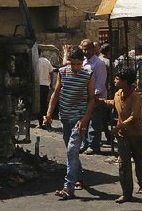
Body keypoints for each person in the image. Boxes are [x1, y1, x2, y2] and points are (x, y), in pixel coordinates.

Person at [44, 47, 95, 200]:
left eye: (78, 64)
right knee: (71, 150)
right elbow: (56, 93)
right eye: (73, 64)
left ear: (82, 62)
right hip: (64, 117)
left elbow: (92, 99)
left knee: (72, 150)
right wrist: (48, 114)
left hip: (79, 119)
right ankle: (79, 177)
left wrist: (85, 119)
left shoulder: (88, 74)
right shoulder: (63, 71)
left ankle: (68, 187)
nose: (75, 68)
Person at [102, 67, 142, 203]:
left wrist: (118, 127)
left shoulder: (135, 97)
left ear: (125, 81)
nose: (114, 81)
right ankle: (127, 194)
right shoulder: (117, 94)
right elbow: (113, 103)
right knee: (123, 164)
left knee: (139, 161)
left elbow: (135, 117)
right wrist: (99, 101)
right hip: (123, 135)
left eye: (117, 79)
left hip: (137, 135)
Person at [80, 38, 107, 155]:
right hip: (84, 97)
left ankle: (94, 145)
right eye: (84, 50)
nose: (86, 52)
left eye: (88, 49)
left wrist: (93, 96)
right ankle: (84, 143)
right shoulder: (83, 62)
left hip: (96, 97)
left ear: (93, 49)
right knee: (84, 121)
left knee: (94, 123)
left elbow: (101, 83)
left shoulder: (99, 63)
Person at [37, 54, 54, 129]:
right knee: (44, 104)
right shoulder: (47, 61)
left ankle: (41, 122)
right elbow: (51, 72)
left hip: (38, 85)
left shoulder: (36, 61)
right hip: (46, 85)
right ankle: (45, 121)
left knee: (39, 105)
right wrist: (51, 82)